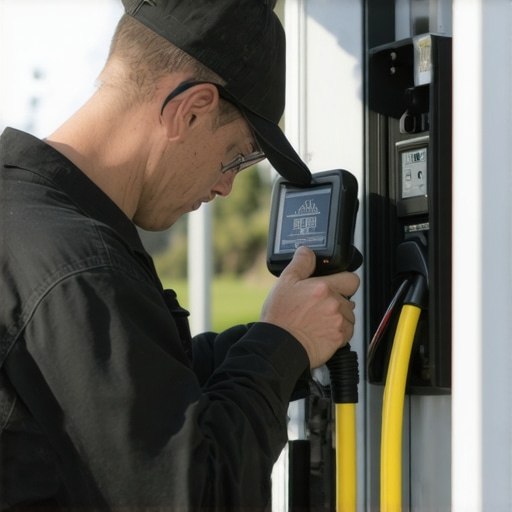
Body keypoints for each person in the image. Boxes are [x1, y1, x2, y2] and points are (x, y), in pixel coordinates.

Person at [0, 0, 360, 510]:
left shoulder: (27, 223)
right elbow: (193, 495)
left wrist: (281, 341)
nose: (226, 187)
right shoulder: (78, 269)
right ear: (189, 109)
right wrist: (282, 345)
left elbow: (138, 389)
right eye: (237, 156)